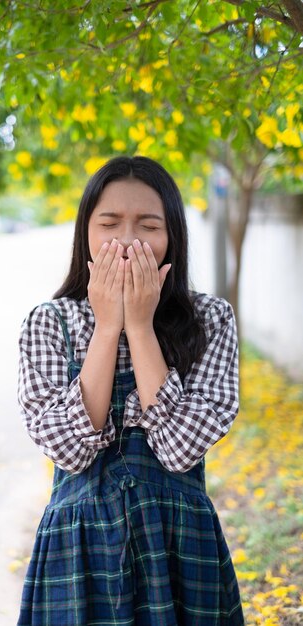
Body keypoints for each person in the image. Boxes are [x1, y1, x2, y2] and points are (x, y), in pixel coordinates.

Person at [16, 155, 244, 625]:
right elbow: (68, 451)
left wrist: (139, 327)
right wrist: (106, 327)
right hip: (77, 550)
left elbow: (180, 450)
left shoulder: (210, 320)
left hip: (180, 545)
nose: (126, 241)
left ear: (172, 236)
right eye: (109, 223)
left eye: (148, 225)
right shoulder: (49, 322)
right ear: (86, 234)